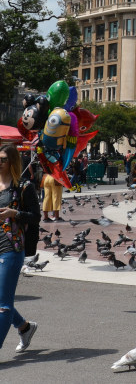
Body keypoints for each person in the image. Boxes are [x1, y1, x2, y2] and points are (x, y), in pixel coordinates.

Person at [0, 145, 40, 357]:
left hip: (11, 247)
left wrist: (15, 213)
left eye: (3, 159)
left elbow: (35, 216)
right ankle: (25, 327)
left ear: (13, 162)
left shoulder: (23, 186)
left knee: (3, 305)